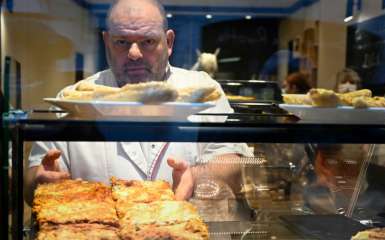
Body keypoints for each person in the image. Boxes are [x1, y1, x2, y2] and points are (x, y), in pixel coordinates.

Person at [25, 0, 252, 204]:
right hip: (97, 229)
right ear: (107, 42)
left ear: (169, 42)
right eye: (122, 41)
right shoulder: (70, 99)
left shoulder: (204, 90)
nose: (134, 53)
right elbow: (30, 184)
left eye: (148, 41)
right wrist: (40, 181)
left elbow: (232, 161)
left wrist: (195, 176)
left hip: (183, 226)